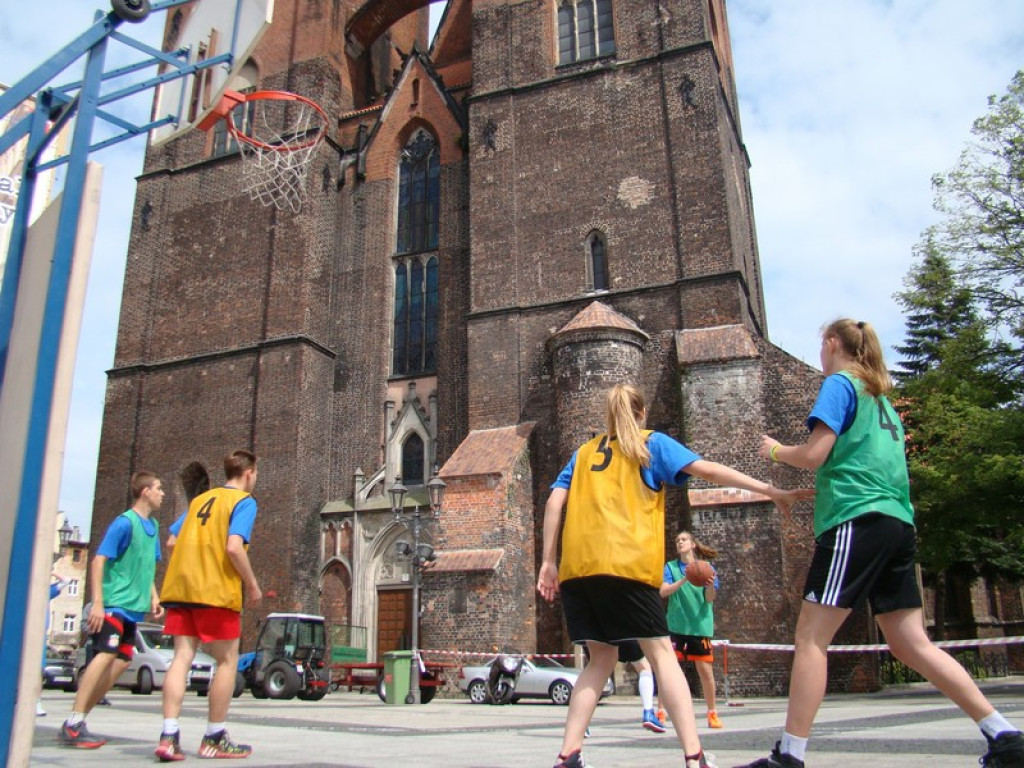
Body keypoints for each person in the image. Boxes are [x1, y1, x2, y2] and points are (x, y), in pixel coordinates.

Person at [736, 319, 1024, 768]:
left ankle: (789, 756)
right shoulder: (882, 400)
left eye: (822, 346)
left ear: (833, 343)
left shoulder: (841, 384)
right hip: (897, 523)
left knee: (811, 639)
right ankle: (1002, 733)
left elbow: (813, 455)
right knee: (910, 643)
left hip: (856, 519)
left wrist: (774, 450)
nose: (821, 355)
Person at [537, 383, 811, 768]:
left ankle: (568, 755)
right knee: (663, 656)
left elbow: (554, 501)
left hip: (578, 573)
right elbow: (708, 470)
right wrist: (768, 488)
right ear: (641, 413)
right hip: (627, 567)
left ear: (608, 417)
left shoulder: (583, 453)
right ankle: (694, 756)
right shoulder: (651, 444)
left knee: (599, 660)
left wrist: (549, 562)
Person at [155, 449, 262, 762]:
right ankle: (214, 736)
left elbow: (172, 541)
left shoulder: (200, 500)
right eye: (255, 474)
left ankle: (169, 736)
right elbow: (234, 547)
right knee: (227, 661)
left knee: (181, 659)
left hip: (182, 590)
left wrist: (189, 566)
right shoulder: (243, 501)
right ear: (248, 473)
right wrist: (252, 584)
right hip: (215, 592)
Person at [59, 471, 165, 748]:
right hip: (114, 604)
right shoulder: (124, 523)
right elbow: (98, 561)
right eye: (158, 488)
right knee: (106, 654)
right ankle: (74, 721)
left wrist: (154, 597)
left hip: (133, 608)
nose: (162, 493)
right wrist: (97, 603)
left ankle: (78, 719)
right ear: (145, 492)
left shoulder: (153, 527)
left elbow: (147, 566)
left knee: (123, 661)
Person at [662, 530, 723, 729]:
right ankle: (661, 711)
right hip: (677, 625)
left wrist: (710, 586)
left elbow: (709, 599)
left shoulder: (706, 568)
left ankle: (712, 712)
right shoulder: (671, 567)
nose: (680, 542)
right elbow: (663, 591)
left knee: (705, 671)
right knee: (668, 670)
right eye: (677, 540)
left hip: (699, 625)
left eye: (684, 539)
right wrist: (684, 579)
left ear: (692, 544)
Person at [38, 572, 68, 717]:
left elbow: (66, 580)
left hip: (40, 638)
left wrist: (50, 572)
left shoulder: (47, 591)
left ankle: (37, 702)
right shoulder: (35, 591)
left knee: (39, 672)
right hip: (29, 635)